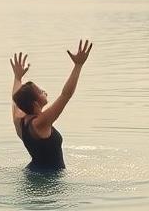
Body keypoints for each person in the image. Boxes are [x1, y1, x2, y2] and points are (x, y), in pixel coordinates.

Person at [10, 40, 93, 172]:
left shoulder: (20, 121)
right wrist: (78, 65)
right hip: (50, 179)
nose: (44, 92)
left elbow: (16, 99)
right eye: (40, 92)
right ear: (35, 103)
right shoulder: (41, 122)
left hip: (32, 172)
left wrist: (17, 78)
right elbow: (65, 95)